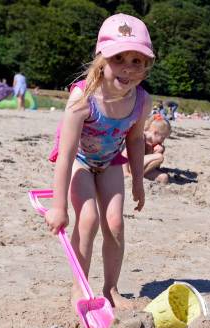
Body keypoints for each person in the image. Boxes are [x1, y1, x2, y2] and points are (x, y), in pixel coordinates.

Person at [44, 13, 154, 310]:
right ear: (101, 59)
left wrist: (139, 184)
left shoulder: (142, 101)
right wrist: (58, 206)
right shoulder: (83, 98)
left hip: (109, 162)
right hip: (80, 160)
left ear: (146, 66)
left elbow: (134, 140)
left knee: (115, 224)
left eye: (137, 61)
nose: (128, 69)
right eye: (119, 58)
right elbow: (65, 155)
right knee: (89, 219)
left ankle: (111, 289)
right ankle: (79, 286)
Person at [123, 113, 170, 184]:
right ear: (155, 133)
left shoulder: (155, 145)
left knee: (164, 177)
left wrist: (158, 151)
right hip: (130, 166)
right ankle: (135, 176)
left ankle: (139, 176)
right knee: (159, 157)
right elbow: (124, 154)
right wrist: (125, 172)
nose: (163, 141)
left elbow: (154, 166)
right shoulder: (140, 137)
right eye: (162, 137)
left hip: (141, 168)